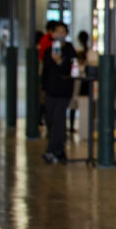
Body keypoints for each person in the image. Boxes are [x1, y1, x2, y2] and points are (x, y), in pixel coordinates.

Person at [41, 23, 76, 164]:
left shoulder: (70, 50)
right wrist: (43, 88)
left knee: (58, 120)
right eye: (58, 32)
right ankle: (59, 151)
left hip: (64, 91)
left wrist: (60, 61)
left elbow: (70, 69)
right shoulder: (48, 51)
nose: (60, 34)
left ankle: (50, 151)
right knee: (51, 121)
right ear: (53, 34)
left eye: (63, 32)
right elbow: (45, 71)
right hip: (50, 91)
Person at [72, 31, 97, 140]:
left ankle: (73, 126)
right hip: (85, 82)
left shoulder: (80, 51)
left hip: (82, 82)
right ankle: (88, 128)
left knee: (75, 105)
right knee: (86, 106)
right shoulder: (91, 52)